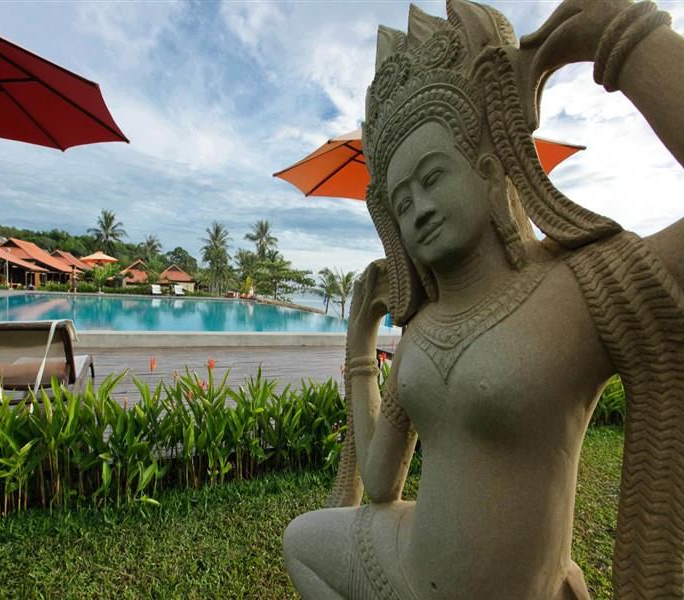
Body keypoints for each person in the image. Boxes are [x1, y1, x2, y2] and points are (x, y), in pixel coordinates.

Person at [283, 1, 684, 598]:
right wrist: (360, 343)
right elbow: (381, 481)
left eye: (433, 177)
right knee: (301, 542)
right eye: (401, 200)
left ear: (490, 170)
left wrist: (623, 36)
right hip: (409, 568)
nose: (418, 208)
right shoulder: (421, 330)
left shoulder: (578, 289)